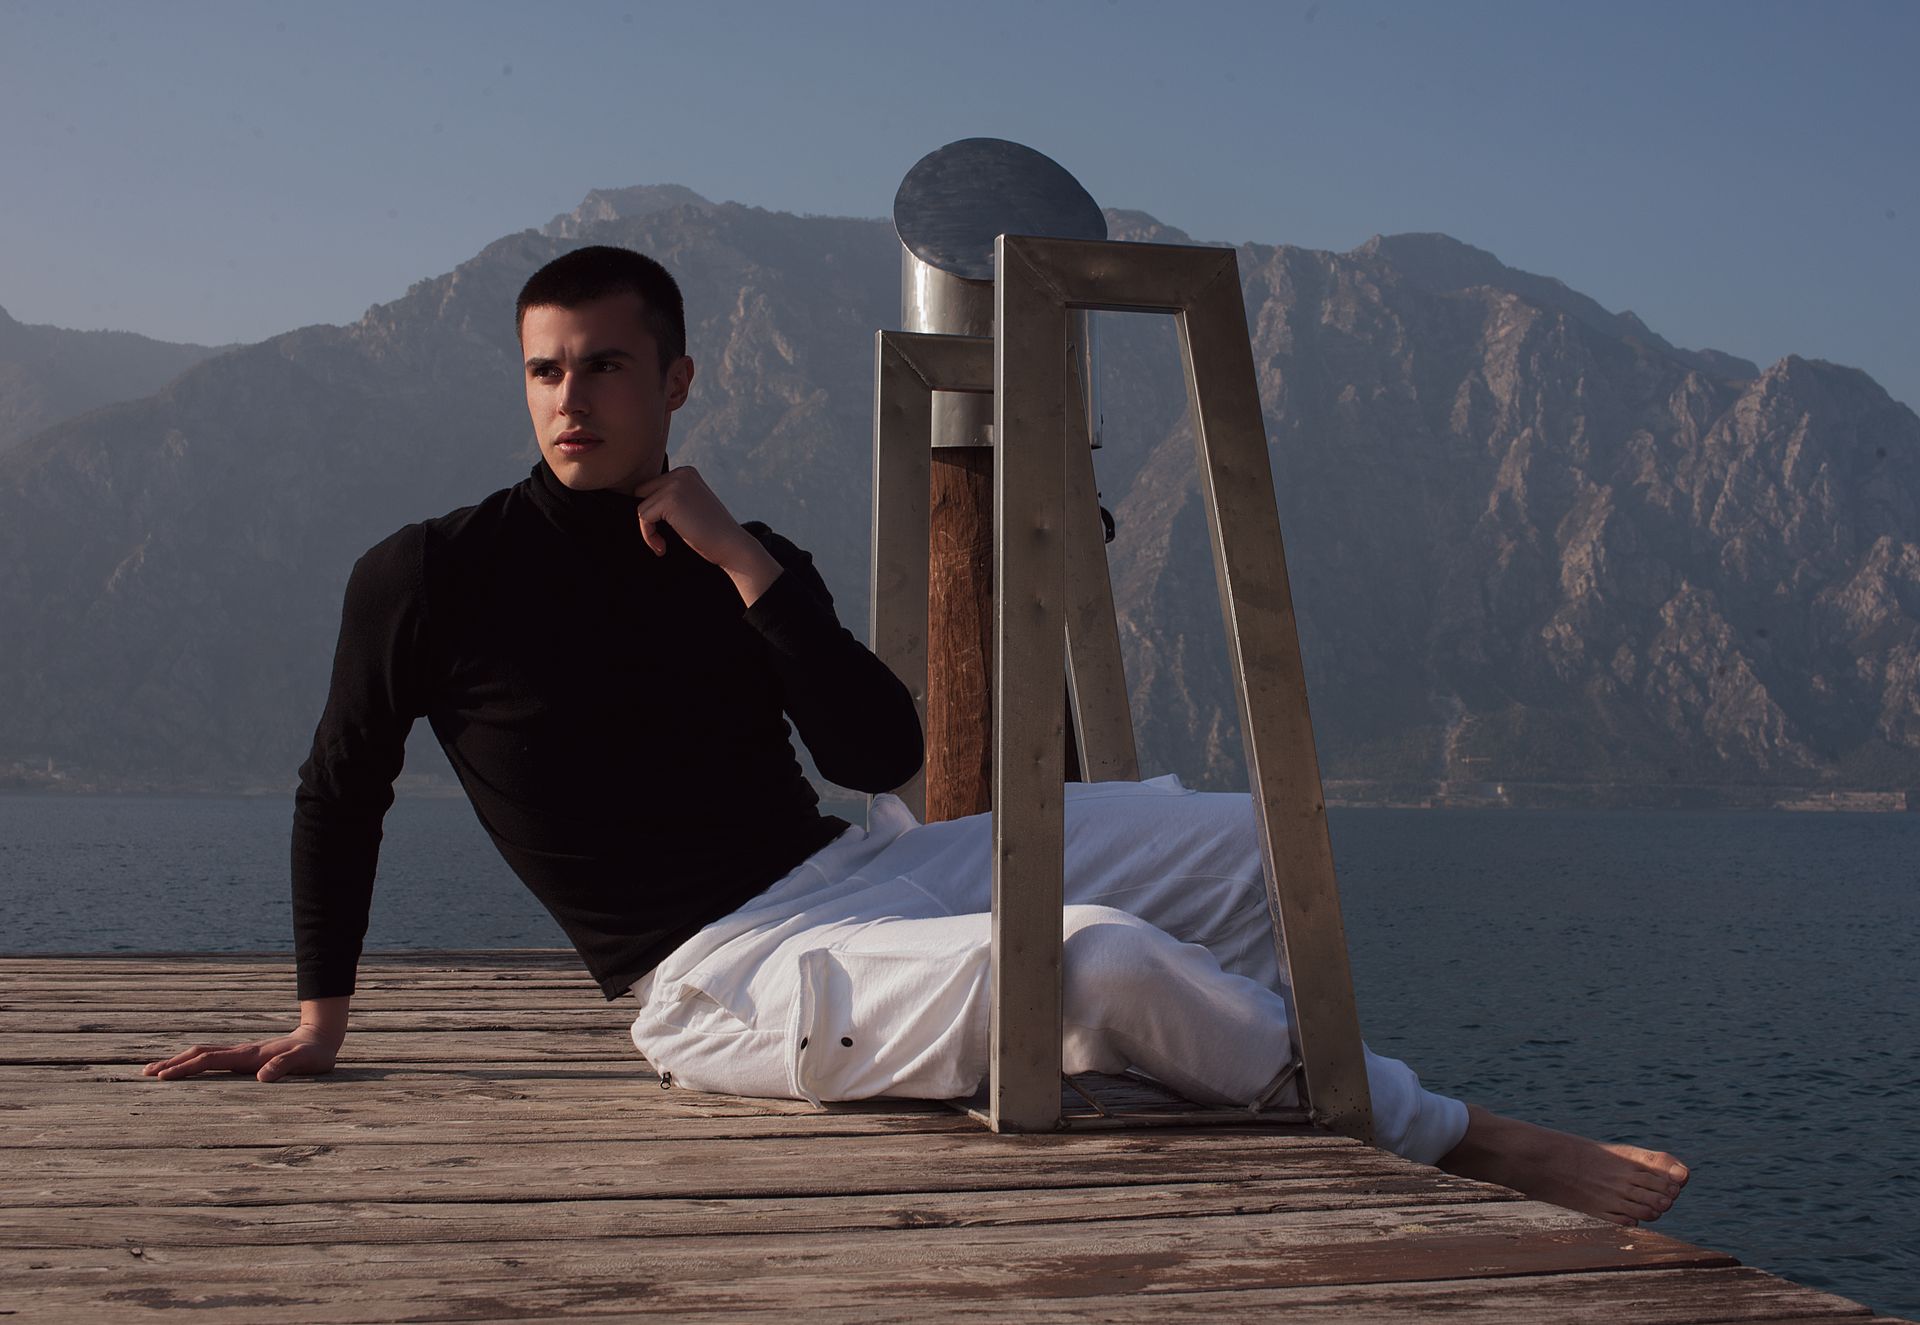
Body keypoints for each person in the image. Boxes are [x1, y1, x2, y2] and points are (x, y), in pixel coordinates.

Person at [145, 246, 1690, 1228]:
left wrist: (748, 566)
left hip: (871, 875)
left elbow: (882, 749)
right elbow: (340, 781)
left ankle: (1228, 1083)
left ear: (676, 379)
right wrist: (320, 1020)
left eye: (607, 364)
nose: (574, 396)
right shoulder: (434, 573)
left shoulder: (743, 555)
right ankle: (1458, 1138)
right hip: (714, 977)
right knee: (1095, 959)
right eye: (547, 369)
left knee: (1263, 840)